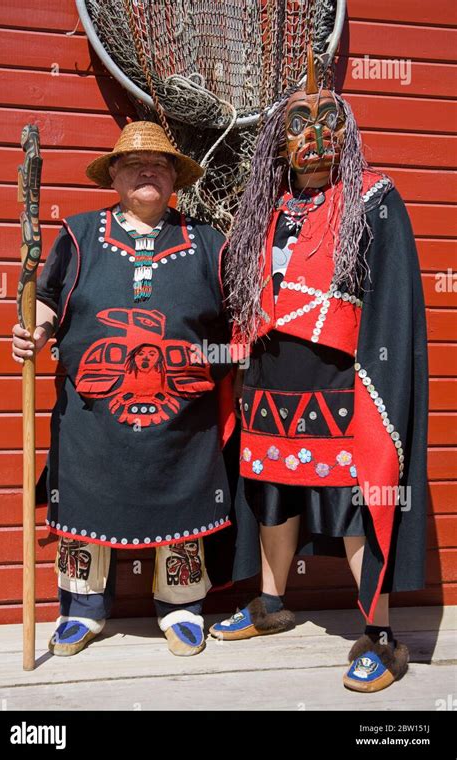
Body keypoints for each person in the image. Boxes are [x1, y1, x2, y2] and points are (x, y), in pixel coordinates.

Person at [210, 48, 428, 693]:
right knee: (275, 493)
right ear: (277, 146)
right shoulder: (263, 213)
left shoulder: (372, 201)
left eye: (328, 121)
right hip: (272, 380)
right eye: (298, 126)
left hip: (344, 381)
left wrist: (379, 382)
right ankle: (275, 603)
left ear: (347, 133)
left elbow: (392, 305)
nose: (314, 138)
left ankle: (382, 635)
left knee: (356, 501)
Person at [12, 120, 236, 658]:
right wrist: (34, 331)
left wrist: (216, 367)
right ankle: (81, 610)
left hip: (183, 417)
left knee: (182, 502)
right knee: (85, 504)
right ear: (114, 176)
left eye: (159, 165)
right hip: (93, 418)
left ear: (175, 179)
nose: (147, 172)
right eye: (135, 165)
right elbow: (45, 298)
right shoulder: (79, 236)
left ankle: (182, 606)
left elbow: (235, 326)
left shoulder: (208, 242)